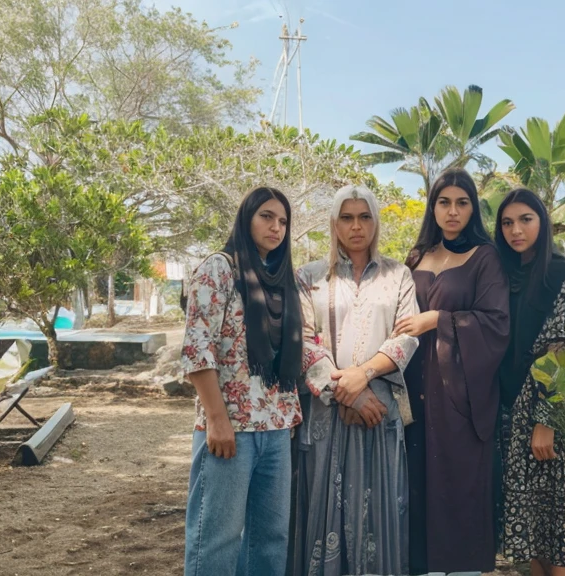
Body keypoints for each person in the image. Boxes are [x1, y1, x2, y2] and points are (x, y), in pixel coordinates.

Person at [289, 184, 420, 576]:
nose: (356, 226)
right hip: (328, 413)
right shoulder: (309, 277)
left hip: (379, 411)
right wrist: (344, 394)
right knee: (323, 507)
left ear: (375, 222)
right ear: (333, 223)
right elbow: (303, 340)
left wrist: (362, 379)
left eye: (364, 217)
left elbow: (406, 336)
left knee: (380, 510)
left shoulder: (398, 274)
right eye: (347, 217)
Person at [181, 186, 303, 576]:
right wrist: (216, 419)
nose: (276, 227)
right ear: (246, 217)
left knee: (270, 541)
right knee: (216, 538)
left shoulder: (281, 280)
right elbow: (198, 348)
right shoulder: (220, 268)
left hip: (276, 427)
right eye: (267, 216)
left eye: (283, 221)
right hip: (230, 428)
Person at [398, 168, 510, 575]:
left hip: (460, 398)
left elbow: (496, 324)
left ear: (473, 208)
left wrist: (436, 320)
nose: (452, 211)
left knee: (459, 490)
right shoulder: (417, 256)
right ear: (433, 207)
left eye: (462, 203)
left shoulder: (485, 258)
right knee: (416, 487)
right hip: (414, 393)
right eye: (444, 202)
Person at [495, 188, 565, 576]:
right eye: (506, 222)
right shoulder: (506, 276)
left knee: (559, 534)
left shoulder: (561, 276)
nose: (515, 230)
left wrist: (546, 421)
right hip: (510, 416)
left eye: (525, 219)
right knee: (534, 534)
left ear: (543, 223)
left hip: (548, 416)